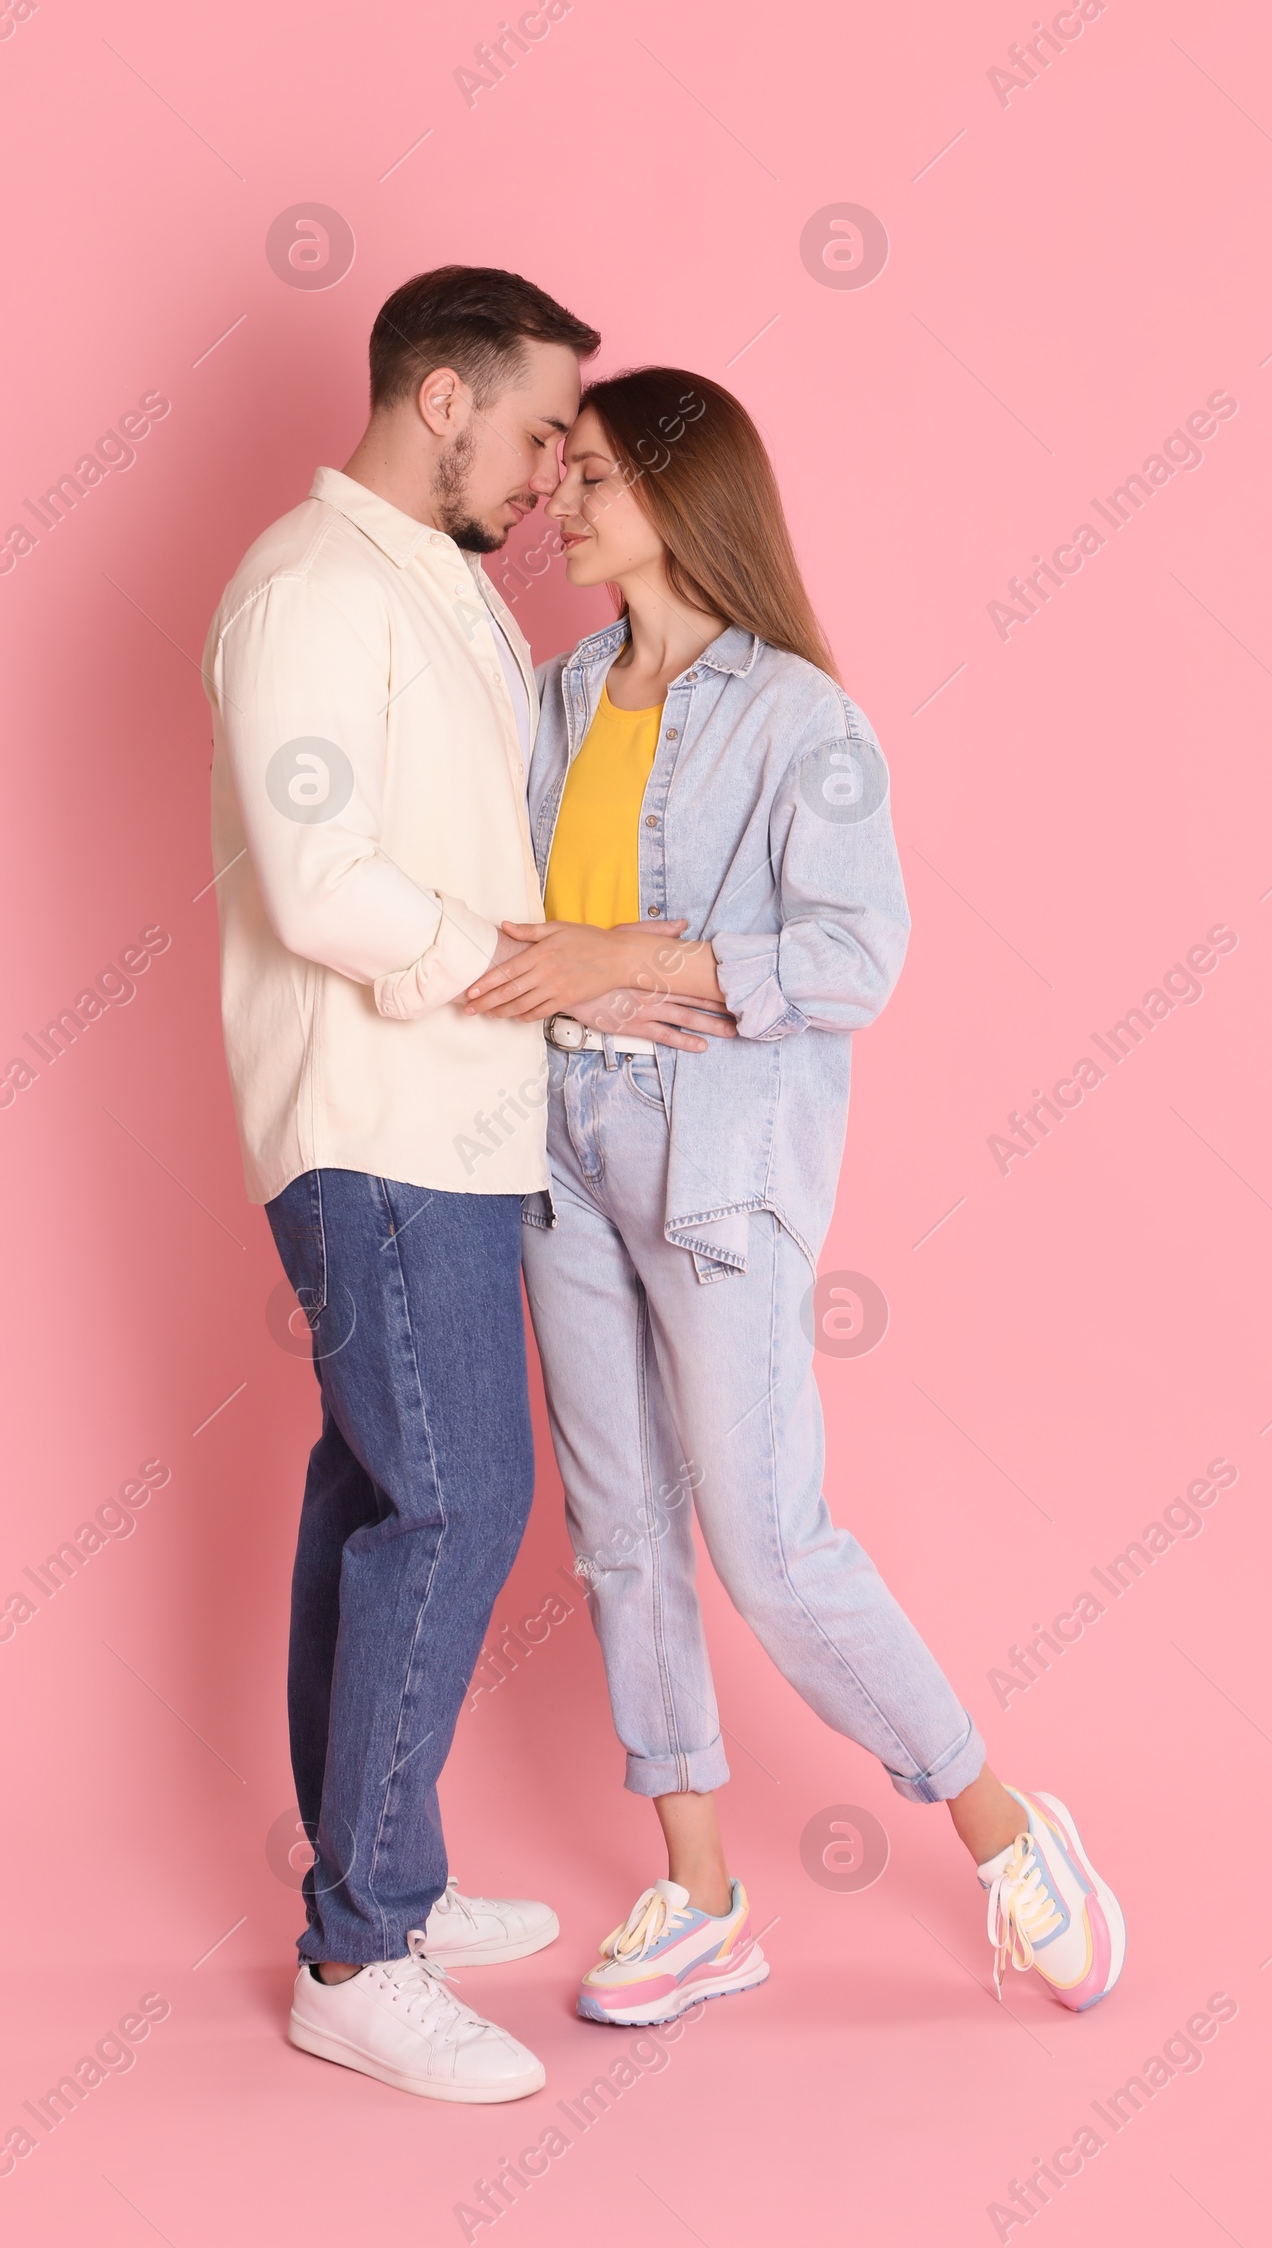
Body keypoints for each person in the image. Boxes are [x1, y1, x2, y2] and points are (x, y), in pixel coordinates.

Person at [463, 367, 1126, 2026]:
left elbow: (854, 957)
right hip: (557, 1159)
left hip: (715, 1175)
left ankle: (999, 1825)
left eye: (596, 474)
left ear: (687, 498)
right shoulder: (551, 698)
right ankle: (699, 1897)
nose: (561, 499)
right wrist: (571, 983)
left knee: (769, 1542)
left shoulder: (801, 720)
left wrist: (641, 960)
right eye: (564, 472)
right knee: (619, 1536)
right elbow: (520, 939)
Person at [203, 266, 622, 2103]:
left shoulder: (441, 582)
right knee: (455, 1507)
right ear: (441, 398)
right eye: (537, 430)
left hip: (450, 1117)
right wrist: (520, 961)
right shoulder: (308, 587)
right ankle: (356, 1953)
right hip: (372, 1124)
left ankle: (388, 1875)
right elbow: (319, 886)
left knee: (377, 1496)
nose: (550, 474)